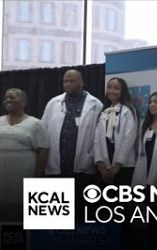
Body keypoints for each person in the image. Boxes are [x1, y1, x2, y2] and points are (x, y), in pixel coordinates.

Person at [41, 69, 103, 220]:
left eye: (72, 81)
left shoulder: (96, 105)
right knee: (54, 217)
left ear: (82, 82)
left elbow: (99, 137)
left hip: (82, 167)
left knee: (81, 214)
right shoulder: (53, 103)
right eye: (65, 81)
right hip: (56, 165)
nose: (68, 84)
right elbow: (42, 131)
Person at [131, 92, 157, 250]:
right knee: (149, 222)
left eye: (156, 102)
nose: (152, 105)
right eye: (150, 102)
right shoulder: (145, 125)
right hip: (146, 181)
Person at [0, 88, 49, 222]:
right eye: (6, 98)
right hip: (2, 177)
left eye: (12, 97)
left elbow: (43, 151)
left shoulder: (35, 123)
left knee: (21, 216)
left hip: (24, 176)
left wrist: (38, 178)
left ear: (23, 102)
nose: (8, 100)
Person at [94, 77, 138, 186]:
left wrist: (116, 167)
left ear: (123, 91)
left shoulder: (128, 111)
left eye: (116, 88)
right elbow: (97, 140)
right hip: (105, 166)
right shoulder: (104, 112)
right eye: (109, 87)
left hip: (124, 166)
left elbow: (128, 140)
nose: (111, 91)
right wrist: (101, 166)